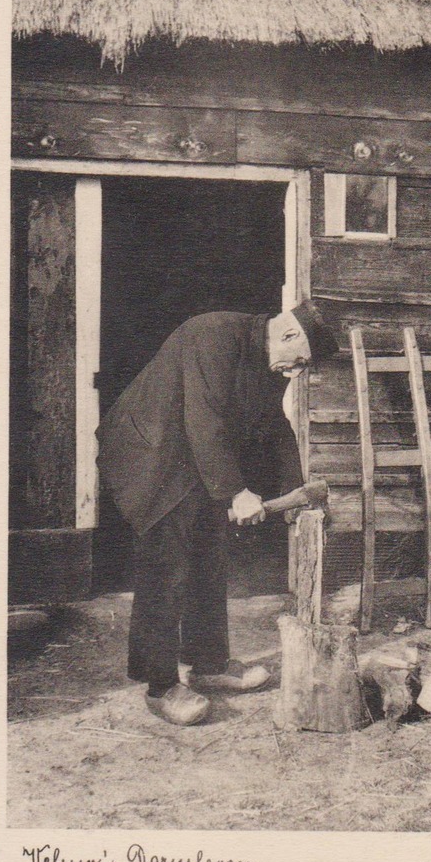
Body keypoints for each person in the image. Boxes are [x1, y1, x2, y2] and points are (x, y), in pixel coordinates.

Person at [96, 300, 339, 726]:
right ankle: (159, 685)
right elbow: (203, 418)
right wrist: (235, 491)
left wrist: (294, 488)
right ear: (287, 334)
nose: (296, 372)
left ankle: (208, 664)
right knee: (166, 564)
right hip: (149, 451)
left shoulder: (270, 359)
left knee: (209, 556)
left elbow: (274, 422)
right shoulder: (212, 334)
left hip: (193, 456)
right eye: (299, 361)